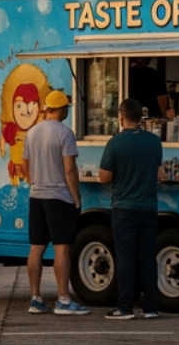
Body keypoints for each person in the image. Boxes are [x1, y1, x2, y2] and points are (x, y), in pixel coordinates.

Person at [23, 90, 88, 316]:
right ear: (60, 109)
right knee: (62, 248)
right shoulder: (65, 133)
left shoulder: (31, 133)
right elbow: (69, 169)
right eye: (66, 108)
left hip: (36, 195)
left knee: (36, 248)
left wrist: (35, 181)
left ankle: (35, 298)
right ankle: (63, 299)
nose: (68, 111)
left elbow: (24, 166)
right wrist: (77, 198)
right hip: (59, 196)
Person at [99, 98, 164, 320]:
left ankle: (125, 307)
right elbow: (160, 175)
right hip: (148, 207)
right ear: (140, 117)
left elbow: (104, 177)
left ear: (121, 117)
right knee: (147, 256)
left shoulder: (115, 143)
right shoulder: (154, 142)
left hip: (123, 208)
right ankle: (151, 307)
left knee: (125, 257)